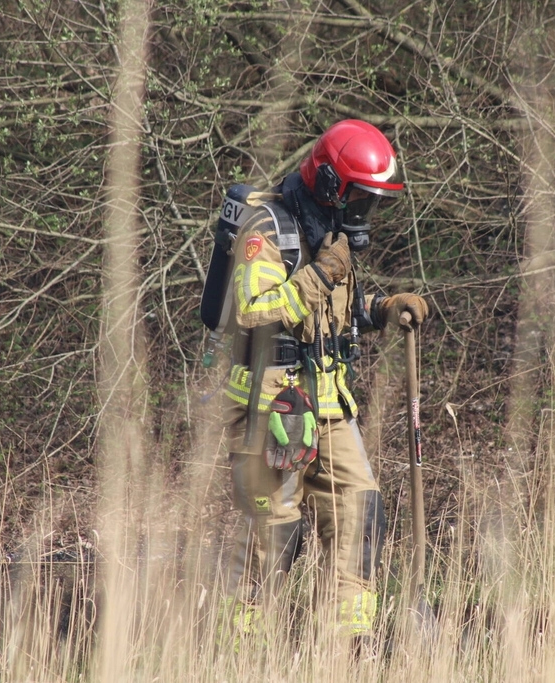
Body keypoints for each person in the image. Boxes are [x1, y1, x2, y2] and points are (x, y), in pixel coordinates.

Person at [219, 119, 429, 644]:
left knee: (361, 509)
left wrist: (383, 309)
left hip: (330, 404)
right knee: (276, 534)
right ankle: (240, 647)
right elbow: (254, 309)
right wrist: (321, 275)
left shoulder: (331, 237)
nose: (366, 213)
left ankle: (347, 645)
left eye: (374, 201)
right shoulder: (268, 229)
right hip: (273, 409)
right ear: (332, 185)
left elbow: (337, 315)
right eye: (360, 198)